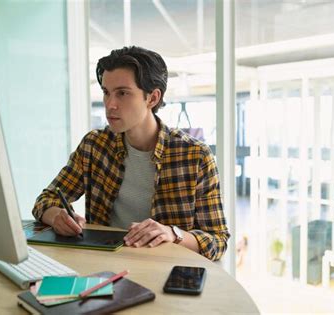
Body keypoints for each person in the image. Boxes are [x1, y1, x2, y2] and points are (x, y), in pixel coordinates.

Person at [32, 46, 229, 261]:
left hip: (168, 271)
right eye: (106, 92)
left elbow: (218, 240)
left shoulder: (196, 156)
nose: (110, 105)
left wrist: (173, 234)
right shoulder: (94, 145)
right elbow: (46, 200)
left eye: (122, 93)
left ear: (152, 98)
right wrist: (57, 216)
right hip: (104, 267)